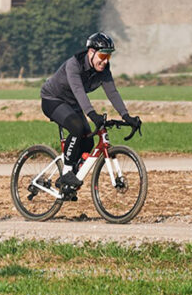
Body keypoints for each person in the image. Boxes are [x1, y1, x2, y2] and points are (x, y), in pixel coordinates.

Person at [40, 31, 141, 199]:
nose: (105, 60)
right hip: (53, 100)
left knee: (88, 141)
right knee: (77, 128)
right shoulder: (74, 65)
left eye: (108, 56)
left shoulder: (103, 70)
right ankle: (66, 175)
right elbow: (79, 92)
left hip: (73, 105)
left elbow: (113, 93)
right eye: (102, 55)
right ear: (91, 52)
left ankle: (72, 178)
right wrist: (93, 115)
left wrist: (127, 116)